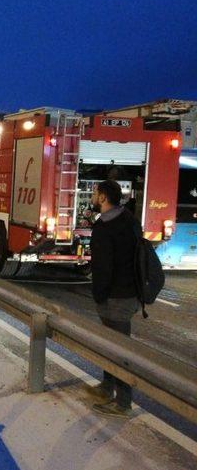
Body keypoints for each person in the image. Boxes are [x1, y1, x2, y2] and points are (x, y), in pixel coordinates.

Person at [89, 179, 140, 418]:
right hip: (130, 293)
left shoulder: (103, 227)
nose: (92, 195)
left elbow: (102, 268)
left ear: (103, 198)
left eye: (95, 192)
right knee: (114, 345)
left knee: (117, 349)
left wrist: (99, 295)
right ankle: (107, 387)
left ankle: (123, 402)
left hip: (114, 297)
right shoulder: (129, 219)